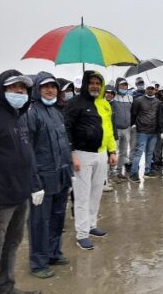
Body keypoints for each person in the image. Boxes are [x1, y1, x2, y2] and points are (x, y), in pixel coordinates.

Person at [0, 69, 42, 294]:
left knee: (12, 245)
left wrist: (34, 184)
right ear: (2, 90)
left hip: (20, 194)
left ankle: (7, 287)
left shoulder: (19, 117)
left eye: (22, 88)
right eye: (13, 87)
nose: (18, 92)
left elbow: (26, 154)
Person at [26, 72, 73, 278]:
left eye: (53, 87)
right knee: (39, 221)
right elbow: (27, 151)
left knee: (57, 218)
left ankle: (54, 253)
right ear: (37, 89)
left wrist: (69, 171)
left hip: (61, 175)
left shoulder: (56, 112)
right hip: (42, 178)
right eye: (45, 87)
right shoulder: (31, 113)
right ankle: (38, 262)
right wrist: (34, 183)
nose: (50, 90)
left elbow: (64, 144)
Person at [64, 70, 117, 250]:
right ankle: (81, 234)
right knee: (81, 196)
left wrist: (112, 151)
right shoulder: (74, 103)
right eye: (91, 83)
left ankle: (91, 225)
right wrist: (72, 155)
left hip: (101, 154)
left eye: (98, 83)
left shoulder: (104, 104)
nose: (95, 86)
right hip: (82, 154)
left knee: (96, 192)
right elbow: (67, 129)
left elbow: (109, 129)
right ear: (85, 84)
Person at [130, 82, 161, 181]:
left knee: (150, 153)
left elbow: (160, 116)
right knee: (138, 152)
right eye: (149, 88)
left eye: (152, 88)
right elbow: (133, 114)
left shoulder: (158, 101)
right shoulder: (138, 100)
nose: (150, 90)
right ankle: (133, 173)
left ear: (155, 90)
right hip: (142, 131)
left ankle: (147, 171)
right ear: (145, 89)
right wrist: (134, 125)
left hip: (154, 132)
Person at [111, 77, 133, 181]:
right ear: (117, 86)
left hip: (127, 128)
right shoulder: (113, 97)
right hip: (116, 129)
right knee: (113, 151)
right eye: (122, 85)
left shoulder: (130, 97)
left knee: (123, 152)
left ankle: (119, 171)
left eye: (125, 85)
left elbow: (132, 111)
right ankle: (112, 173)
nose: (124, 87)